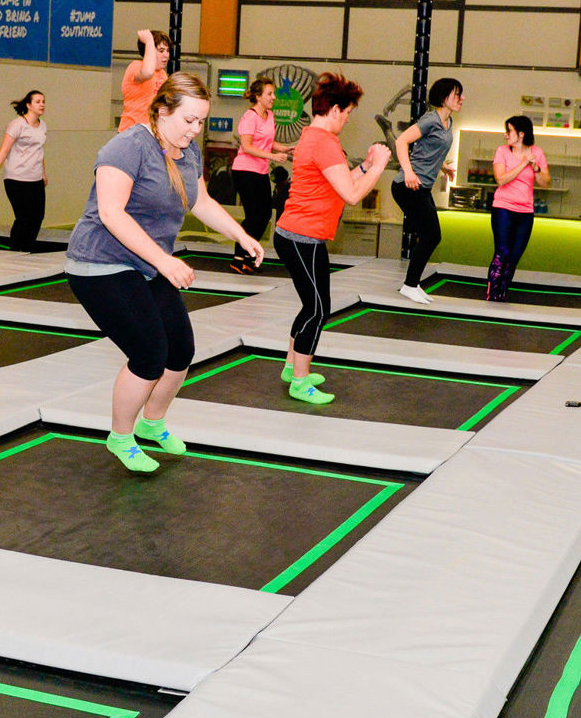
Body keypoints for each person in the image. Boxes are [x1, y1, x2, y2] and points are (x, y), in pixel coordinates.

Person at [65, 73, 263, 472]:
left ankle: (152, 424)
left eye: (201, 122)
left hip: (147, 264)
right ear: (162, 111)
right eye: (189, 120)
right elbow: (110, 213)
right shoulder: (127, 147)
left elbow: (201, 201)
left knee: (181, 351)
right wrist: (164, 260)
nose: (196, 129)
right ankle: (121, 436)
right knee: (149, 353)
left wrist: (241, 235)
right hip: (100, 264)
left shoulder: (187, 152)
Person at [275, 73, 391, 405]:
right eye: (349, 113)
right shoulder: (323, 142)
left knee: (312, 306)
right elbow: (352, 196)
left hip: (301, 237)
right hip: (302, 238)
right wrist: (380, 166)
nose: (348, 119)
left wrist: (367, 166)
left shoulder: (313, 137)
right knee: (318, 309)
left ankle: (290, 367)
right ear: (336, 109)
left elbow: (338, 185)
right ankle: (299, 381)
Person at [390, 78, 463, 303]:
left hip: (421, 188)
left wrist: (443, 166)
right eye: (457, 94)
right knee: (432, 235)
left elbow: (429, 147)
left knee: (430, 235)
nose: (462, 98)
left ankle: (412, 283)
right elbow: (401, 141)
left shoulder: (447, 122)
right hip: (407, 186)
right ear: (443, 98)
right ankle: (410, 284)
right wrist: (409, 172)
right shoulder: (431, 119)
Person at [228, 77, 291, 274]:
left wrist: (286, 149)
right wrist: (273, 156)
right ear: (258, 96)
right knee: (253, 215)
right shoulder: (250, 117)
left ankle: (248, 256)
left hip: (261, 170)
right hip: (245, 171)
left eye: (273, 94)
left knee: (264, 214)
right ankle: (239, 257)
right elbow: (247, 146)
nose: (273, 97)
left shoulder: (269, 115)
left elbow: (268, 141)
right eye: (269, 94)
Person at [487, 114, 548, 302]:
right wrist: (523, 163)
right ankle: (493, 293)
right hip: (503, 208)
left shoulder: (537, 152)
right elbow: (501, 179)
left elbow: (545, 182)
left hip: (525, 211)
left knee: (514, 256)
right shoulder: (502, 152)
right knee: (502, 252)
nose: (506, 135)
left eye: (509, 131)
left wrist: (535, 167)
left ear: (521, 134)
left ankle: (502, 292)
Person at [0, 90, 48, 250]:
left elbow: (39, 151)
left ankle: (27, 247)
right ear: (28, 105)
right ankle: (15, 249)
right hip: (16, 178)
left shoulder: (43, 125)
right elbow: (4, 150)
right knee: (23, 217)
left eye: (43, 101)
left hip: (36, 178)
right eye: (38, 101)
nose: (42, 105)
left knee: (38, 215)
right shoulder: (17, 125)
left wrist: (44, 173)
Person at [117, 29, 169, 132]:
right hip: (131, 133)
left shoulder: (163, 74)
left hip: (153, 133)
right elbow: (148, 72)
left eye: (168, 51)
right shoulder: (136, 66)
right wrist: (149, 41)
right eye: (161, 51)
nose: (166, 55)